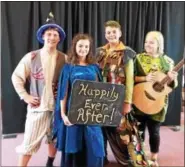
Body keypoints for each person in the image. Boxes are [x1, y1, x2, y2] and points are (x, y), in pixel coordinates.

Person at [11, 12, 66, 167]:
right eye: (49, 34)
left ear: (59, 38)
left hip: (56, 108)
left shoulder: (64, 58)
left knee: (53, 139)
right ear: (43, 36)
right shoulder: (32, 57)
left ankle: (49, 163)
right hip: (38, 108)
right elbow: (16, 77)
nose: (52, 37)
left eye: (55, 34)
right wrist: (25, 96)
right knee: (29, 142)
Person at [53, 33, 105, 167]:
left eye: (86, 46)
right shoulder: (68, 67)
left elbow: (101, 91)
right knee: (74, 144)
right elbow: (63, 93)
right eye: (80, 46)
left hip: (92, 112)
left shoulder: (94, 67)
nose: (83, 49)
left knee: (95, 144)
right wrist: (63, 114)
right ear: (75, 47)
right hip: (73, 111)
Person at [133, 31, 178, 167]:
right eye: (146, 42)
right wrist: (145, 78)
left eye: (151, 42)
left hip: (157, 103)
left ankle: (154, 157)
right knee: (139, 130)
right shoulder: (138, 58)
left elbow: (171, 86)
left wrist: (172, 79)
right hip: (140, 99)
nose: (147, 45)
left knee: (155, 131)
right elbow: (130, 78)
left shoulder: (168, 62)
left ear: (159, 44)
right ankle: (139, 156)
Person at [96, 20, 136, 165]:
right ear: (105, 35)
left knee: (121, 130)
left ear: (119, 33)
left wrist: (128, 102)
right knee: (102, 129)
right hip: (100, 98)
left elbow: (130, 80)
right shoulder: (99, 52)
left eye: (114, 32)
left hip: (118, 99)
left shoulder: (126, 53)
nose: (111, 35)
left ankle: (125, 159)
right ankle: (103, 156)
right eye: (108, 32)